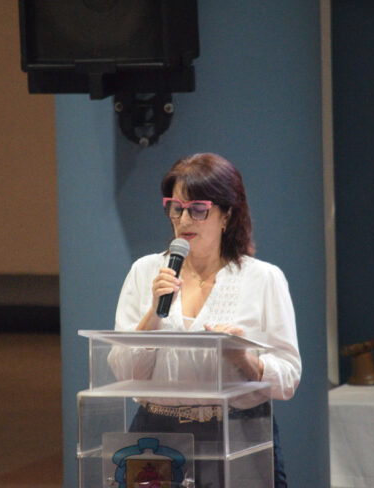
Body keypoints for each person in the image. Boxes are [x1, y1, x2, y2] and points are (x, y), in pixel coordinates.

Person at [113, 153, 301, 488]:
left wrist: (244, 358)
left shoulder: (263, 279)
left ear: (227, 214)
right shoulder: (145, 272)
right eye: (176, 207)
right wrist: (153, 314)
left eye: (198, 209)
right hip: (158, 434)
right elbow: (126, 375)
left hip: (238, 431)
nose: (184, 219)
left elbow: (288, 377)